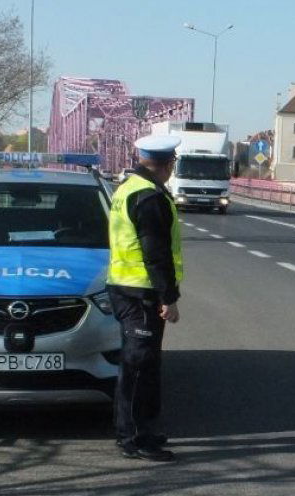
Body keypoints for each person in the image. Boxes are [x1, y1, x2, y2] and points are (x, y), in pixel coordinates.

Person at [107, 134, 184, 462]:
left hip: (126, 287)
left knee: (144, 365)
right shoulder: (149, 197)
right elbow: (155, 253)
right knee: (138, 367)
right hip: (142, 293)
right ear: (168, 165)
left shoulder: (127, 187)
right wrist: (169, 297)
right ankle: (133, 437)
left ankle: (143, 430)